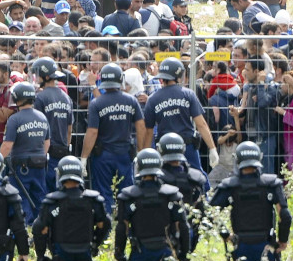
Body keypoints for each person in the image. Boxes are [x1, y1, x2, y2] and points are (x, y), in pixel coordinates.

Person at [80, 63, 145, 214]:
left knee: (103, 193)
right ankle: (128, 222)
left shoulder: (97, 103)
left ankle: (106, 225)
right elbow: (141, 126)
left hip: (103, 154)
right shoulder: (131, 100)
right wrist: (141, 150)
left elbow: (92, 132)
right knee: (127, 191)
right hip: (125, 152)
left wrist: (83, 158)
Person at [143, 57, 219, 179]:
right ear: (179, 75)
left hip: (165, 148)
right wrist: (212, 148)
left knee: (163, 179)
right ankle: (204, 197)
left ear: (161, 77)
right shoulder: (188, 94)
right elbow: (201, 124)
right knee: (198, 178)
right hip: (187, 145)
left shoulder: (152, 99)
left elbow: (149, 131)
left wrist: (145, 153)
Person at [0, 82, 50, 225]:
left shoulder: (15, 119)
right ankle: (42, 225)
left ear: (17, 99)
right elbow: (47, 143)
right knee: (39, 195)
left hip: (21, 166)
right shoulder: (42, 117)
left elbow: (7, 145)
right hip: (40, 163)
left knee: (21, 196)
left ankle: (24, 226)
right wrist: (39, 156)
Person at [157, 133, 207, 252]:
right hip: (188, 229)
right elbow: (202, 209)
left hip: (163, 231)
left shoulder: (158, 177)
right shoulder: (195, 177)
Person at [32, 58, 73, 193]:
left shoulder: (40, 98)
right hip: (62, 151)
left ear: (46, 76)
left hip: (46, 153)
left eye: (37, 75)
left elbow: (37, 127)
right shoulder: (66, 97)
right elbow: (69, 128)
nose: (36, 78)